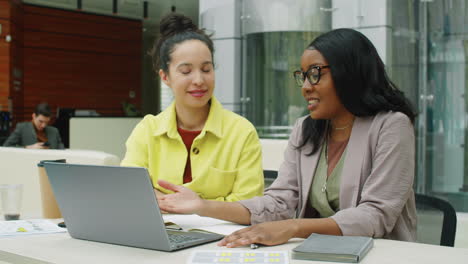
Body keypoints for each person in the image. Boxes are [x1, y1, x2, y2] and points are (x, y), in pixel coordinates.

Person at [156, 28, 418, 247]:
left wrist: (292, 228)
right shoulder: (306, 128)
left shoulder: (392, 125)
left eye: (315, 74)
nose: (305, 87)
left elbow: (375, 216)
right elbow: (278, 202)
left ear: (349, 73)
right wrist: (201, 205)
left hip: (379, 253)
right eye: (303, 76)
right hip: (314, 253)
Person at [120, 13, 264, 202]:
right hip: (157, 231)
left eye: (206, 69)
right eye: (186, 71)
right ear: (165, 77)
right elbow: (129, 191)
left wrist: (196, 205)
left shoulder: (241, 132)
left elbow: (250, 204)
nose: (199, 80)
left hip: (225, 232)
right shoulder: (147, 130)